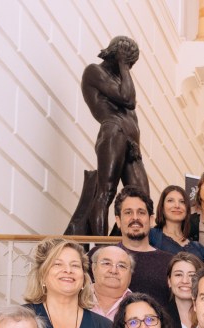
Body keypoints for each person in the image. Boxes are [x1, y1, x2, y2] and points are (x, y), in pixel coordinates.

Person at [78, 36, 147, 237]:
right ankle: (100, 245)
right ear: (116, 55)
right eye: (128, 61)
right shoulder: (94, 71)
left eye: (131, 63)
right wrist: (123, 65)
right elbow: (128, 100)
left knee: (143, 199)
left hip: (131, 144)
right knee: (106, 192)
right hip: (113, 132)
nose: (129, 67)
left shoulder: (121, 81)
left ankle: (118, 243)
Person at [115, 187, 176, 311]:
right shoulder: (102, 259)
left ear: (151, 220)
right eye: (128, 212)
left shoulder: (170, 263)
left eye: (141, 212)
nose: (135, 218)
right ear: (118, 221)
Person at [150, 184, 204, 259]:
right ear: (162, 208)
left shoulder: (198, 247)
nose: (177, 205)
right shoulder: (151, 236)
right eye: (170, 201)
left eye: (182, 202)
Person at [90, 245, 134, 320]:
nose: (113, 271)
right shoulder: (75, 299)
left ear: (130, 274)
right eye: (107, 263)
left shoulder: (138, 305)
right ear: (94, 268)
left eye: (121, 266)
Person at [167, 251, 201, 328]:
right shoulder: (159, 317)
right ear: (169, 281)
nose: (185, 281)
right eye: (178, 275)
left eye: (192, 276)